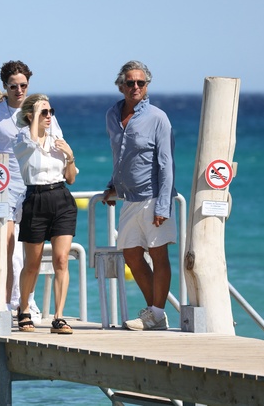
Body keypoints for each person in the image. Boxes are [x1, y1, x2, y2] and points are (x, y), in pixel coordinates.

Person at [0, 60, 56, 318]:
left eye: (23, 85)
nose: (19, 90)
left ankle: (27, 302)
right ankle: (6, 305)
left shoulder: (42, 111)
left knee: (31, 252)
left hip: (34, 186)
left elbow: (55, 142)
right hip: (6, 189)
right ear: (5, 86)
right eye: (13, 86)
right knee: (8, 250)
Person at [102, 60, 177, 331]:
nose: (135, 86)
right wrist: (112, 185)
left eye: (141, 83)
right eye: (130, 82)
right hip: (128, 198)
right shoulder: (112, 115)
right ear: (121, 86)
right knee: (131, 255)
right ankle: (154, 314)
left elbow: (166, 163)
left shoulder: (158, 118)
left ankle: (156, 313)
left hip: (154, 196)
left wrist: (163, 206)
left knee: (158, 255)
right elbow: (120, 156)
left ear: (146, 86)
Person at [13, 94, 78, 333]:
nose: (49, 116)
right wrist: (34, 118)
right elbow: (31, 144)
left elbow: (70, 178)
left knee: (61, 259)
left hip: (62, 199)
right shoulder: (22, 138)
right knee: (33, 263)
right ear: (31, 116)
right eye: (43, 112)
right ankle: (24, 309)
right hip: (36, 199)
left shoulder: (57, 140)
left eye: (51, 111)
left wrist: (70, 156)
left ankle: (59, 317)